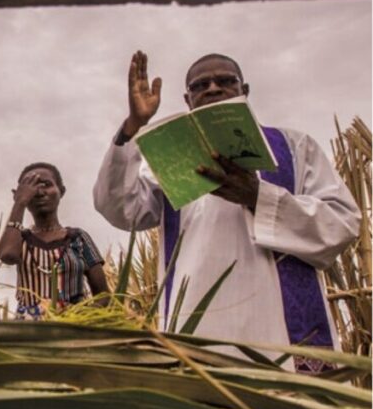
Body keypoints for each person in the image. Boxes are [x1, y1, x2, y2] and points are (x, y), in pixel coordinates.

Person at [93, 50, 361, 369]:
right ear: (187, 99)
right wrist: (132, 128)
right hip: (198, 332)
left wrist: (259, 197)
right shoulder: (171, 160)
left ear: (244, 90)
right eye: (200, 85)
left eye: (225, 81)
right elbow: (118, 208)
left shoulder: (295, 147)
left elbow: (343, 224)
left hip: (281, 336)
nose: (213, 88)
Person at [0, 163, 108, 319]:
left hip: (73, 330)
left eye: (46, 185)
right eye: (31, 188)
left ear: (61, 191)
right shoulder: (19, 239)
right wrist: (20, 203)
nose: (40, 192)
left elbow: (103, 296)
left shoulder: (78, 238)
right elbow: (7, 255)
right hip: (27, 333)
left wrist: (77, 316)